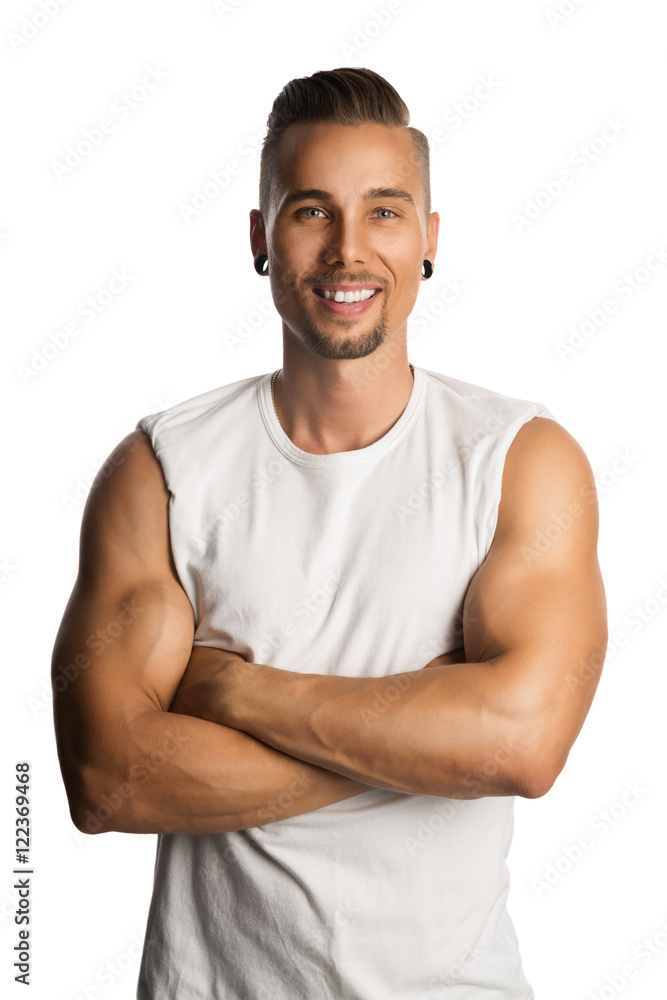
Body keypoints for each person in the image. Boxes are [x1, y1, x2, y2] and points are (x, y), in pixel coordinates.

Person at [52, 67, 608, 999]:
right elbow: (108, 780)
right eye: (311, 212)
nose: (348, 252)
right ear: (260, 238)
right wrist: (426, 737)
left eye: (384, 212)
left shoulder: (520, 460)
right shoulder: (162, 472)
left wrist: (233, 692)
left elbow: (520, 745)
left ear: (428, 240)